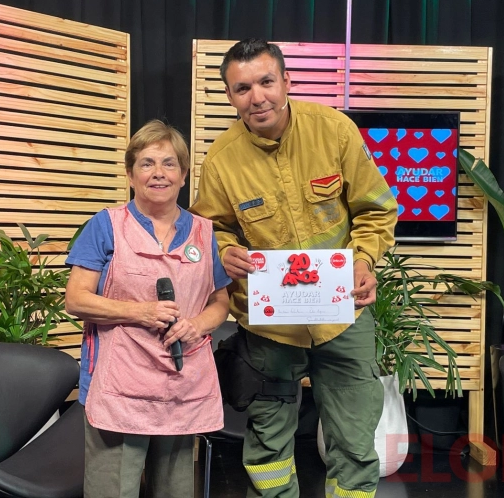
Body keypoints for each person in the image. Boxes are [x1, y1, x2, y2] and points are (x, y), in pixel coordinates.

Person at [189, 38, 398, 498]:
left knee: (354, 443)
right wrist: (223, 252)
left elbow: (376, 209)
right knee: (268, 448)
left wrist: (363, 260)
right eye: (242, 88)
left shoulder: (334, 130)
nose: (257, 97)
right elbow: (209, 229)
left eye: (266, 81)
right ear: (230, 96)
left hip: (343, 317)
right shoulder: (222, 161)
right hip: (270, 330)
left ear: (287, 81)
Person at [65, 119, 231, 498]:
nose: (159, 173)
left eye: (169, 163)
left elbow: (220, 301)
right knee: (113, 490)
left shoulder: (204, 234)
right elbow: (76, 299)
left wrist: (196, 325)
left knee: (175, 490)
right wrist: (140, 312)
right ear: (130, 173)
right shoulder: (105, 226)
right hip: (119, 386)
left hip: (181, 384)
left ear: (184, 174)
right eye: (147, 163)